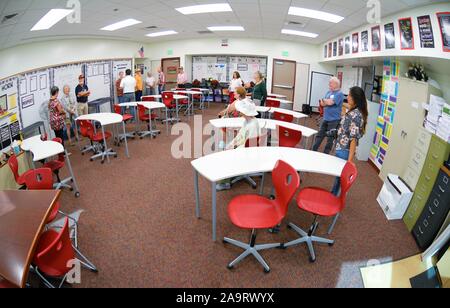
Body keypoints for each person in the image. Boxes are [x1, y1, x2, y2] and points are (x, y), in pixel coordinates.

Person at [216, 98, 260, 191]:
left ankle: (225, 183)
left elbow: (249, 145)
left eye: (239, 110)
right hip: (243, 146)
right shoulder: (248, 121)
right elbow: (240, 136)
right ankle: (226, 177)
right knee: (226, 149)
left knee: (226, 155)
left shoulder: (252, 124)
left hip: (247, 150)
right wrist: (232, 144)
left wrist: (233, 148)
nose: (237, 111)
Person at [331, 86, 368, 196]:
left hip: (344, 150)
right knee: (338, 176)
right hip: (342, 147)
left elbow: (353, 139)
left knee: (340, 177)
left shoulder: (355, 115)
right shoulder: (356, 110)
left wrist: (350, 160)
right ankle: (334, 195)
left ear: (355, 98)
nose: (348, 97)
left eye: (350, 95)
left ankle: (335, 197)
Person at [312, 77, 344, 154]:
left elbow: (330, 103)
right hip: (325, 118)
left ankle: (326, 154)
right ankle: (313, 150)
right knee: (319, 135)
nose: (329, 84)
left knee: (330, 139)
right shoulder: (328, 92)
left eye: (331, 83)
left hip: (334, 120)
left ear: (336, 84)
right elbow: (322, 104)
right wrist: (326, 101)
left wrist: (325, 100)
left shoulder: (339, 93)